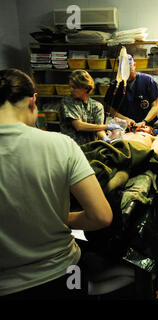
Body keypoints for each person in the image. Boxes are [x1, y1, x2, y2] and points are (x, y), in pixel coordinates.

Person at [0, 68, 112, 299]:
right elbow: (101, 216)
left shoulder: (93, 109)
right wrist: (60, 218)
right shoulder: (61, 146)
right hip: (62, 272)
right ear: (34, 101)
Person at [59, 69, 121, 145]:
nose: (71, 90)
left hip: (90, 147)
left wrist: (105, 138)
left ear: (86, 88)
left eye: (74, 87)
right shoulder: (68, 101)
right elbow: (79, 126)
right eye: (70, 86)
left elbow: (99, 129)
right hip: (71, 147)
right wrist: (106, 126)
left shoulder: (97, 106)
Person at [108, 54, 158, 128]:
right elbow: (111, 110)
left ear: (134, 65)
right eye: (123, 70)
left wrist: (144, 122)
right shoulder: (115, 85)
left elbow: (155, 106)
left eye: (129, 69)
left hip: (146, 126)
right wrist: (126, 120)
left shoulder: (148, 81)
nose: (126, 73)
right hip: (123, 127)